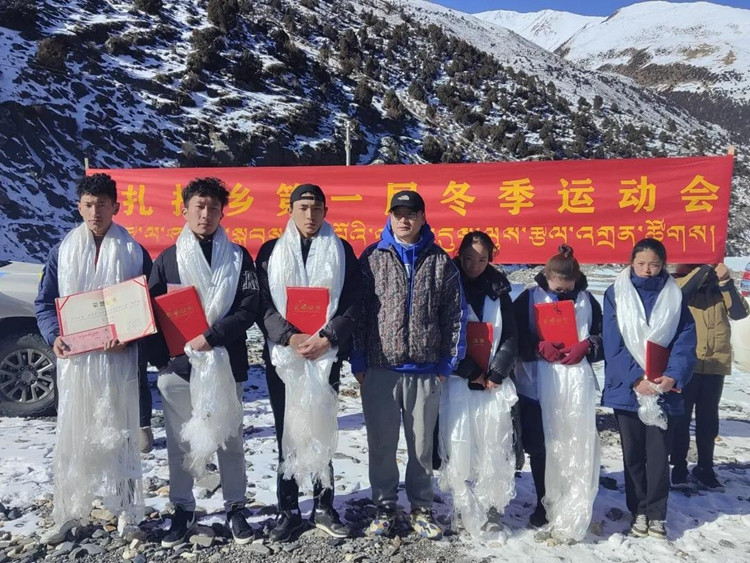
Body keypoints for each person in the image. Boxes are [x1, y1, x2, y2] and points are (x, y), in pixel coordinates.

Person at [34, 173, 151, 541]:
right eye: (88, 204)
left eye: (102, 204)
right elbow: (44, 302)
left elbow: (148, 306)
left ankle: (128, 512)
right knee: (74, 435)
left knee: (123, 435)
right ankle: (72, 511)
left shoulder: (134, 252)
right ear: (79, 206)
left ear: (116, 206)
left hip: (119, 361)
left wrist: (129, 336)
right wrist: (54, 335)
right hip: (78, 364)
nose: (95, 211)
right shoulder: (62, 251)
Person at [148, 177, 260, 547]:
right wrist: (163, 362)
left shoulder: (238, 257)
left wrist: (211, 336)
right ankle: (183, 508)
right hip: (181, 367)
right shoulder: (168, 260)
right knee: (181, 442)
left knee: (230, 438)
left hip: (226, 363)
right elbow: (152, 311)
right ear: (184, 210)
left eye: (213, 208)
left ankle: (235, 507)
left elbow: (249, 307)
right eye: (199, 206)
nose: (206, 214)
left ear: (222, 213)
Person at [351, 190, 466, 540]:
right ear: (389, 216)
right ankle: (384, 506)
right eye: (398, 213)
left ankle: (421, 506)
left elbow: (454, 314)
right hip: (380, 369)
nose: (404, 219)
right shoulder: (373, 257)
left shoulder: (440, 261)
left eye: (411, 213)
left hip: (425, 370)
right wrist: (358, 359)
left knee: (421, 448)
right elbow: (359, 314)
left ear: (422, 217)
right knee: (381, 444)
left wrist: (446, 362)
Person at [256, 184, 361, 542]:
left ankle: (324, 507)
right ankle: (288, 510)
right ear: (290, 210)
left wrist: (328, 336)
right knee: (286, 431)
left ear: (326, 211)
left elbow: (353, 302)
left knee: (321, 429)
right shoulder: (271, 252)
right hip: (284, 357)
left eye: (316, 208)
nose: (309, 215)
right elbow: (262, 304)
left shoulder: (341, 251)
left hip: (324, 356)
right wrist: (289, 336)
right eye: (302, 208)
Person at [602, 238, 696, 540]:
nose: (647, 270)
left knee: (658, 454)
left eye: (654, 264)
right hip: (628, 388)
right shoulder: (616, 293)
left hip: (661, 388)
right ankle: (638, 510)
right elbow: (613, 341)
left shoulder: (674, 295)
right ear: (631, 262)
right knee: (632, 454)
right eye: (641, 263)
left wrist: (672, 376)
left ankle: (656, 514)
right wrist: (635, 379)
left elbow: (684, 339)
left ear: (663, 264)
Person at [512, 244, 603, 541]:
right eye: (557, 287)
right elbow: (513, 335)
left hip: (575, 384)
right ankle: (544, 502)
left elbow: (603, 335)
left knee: (573, 442)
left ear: (576, 279)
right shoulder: (529, 298)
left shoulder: (588, 301)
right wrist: (536, 346)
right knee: (541, 446)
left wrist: (587, 346)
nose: (562, 291)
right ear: (546, 277)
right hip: (537, 383)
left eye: (568, 287)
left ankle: (572, 499)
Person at [438, 232, 518, 538]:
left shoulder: (499, 289)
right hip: (459, 380)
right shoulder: (446, 284)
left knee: (493, 442)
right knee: (459, 442)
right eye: (469, 258)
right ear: (459, 255)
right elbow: (440, 333)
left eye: (482, 259)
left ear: (491, 259)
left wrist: (497, 372)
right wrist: (469, 369)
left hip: (492, 385)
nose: (474, 265)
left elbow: (510, 335)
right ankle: (462, 505)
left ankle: (493, 505)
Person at [670, 263, 749, 490]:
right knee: (681, 417)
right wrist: (703, 268)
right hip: (688, 362)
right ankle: (678, 465)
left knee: (708, 418)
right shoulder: (678, 282)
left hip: (716, 361)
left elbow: (740, 312)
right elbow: (679, 297)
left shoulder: (720, 288)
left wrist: (725, 282)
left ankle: (705, 467)